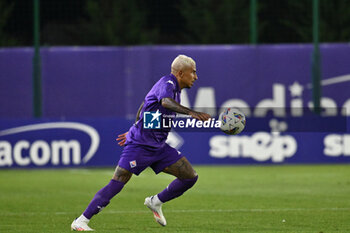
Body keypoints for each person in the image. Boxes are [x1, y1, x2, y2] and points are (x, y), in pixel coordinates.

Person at [71, 54, 211, 231]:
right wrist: (192, 113)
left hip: (159, 146)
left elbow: (145, 105)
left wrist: (134, 127)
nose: (196, 77)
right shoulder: (168, 83)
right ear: (181, 73)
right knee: (118, 181)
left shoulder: (174, 89)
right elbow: (165, 103)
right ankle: (81, 221)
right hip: (140, 146)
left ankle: (155, 201)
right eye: (194, 72)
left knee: (190, 177)